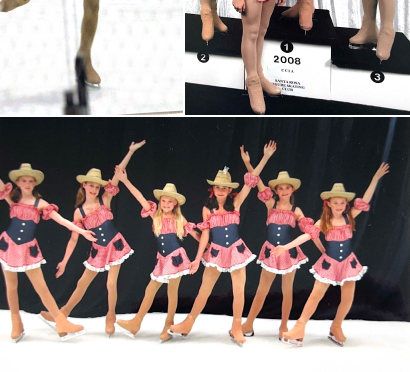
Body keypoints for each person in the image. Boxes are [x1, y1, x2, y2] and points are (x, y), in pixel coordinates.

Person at [0, 140, 96, 342]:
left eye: (30, 181)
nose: (27, 184)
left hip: (28, 249)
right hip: (8, 245)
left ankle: (60, 321)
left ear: (35, 183)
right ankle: (16, 323)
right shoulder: (12, 199)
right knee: (11, 286)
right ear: (18, 182)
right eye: (24, 181)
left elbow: (61, 220)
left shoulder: (40, 203)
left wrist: (81, 230)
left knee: (41, 287)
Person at [169, 141, 277, 346]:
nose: (221, 190)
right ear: (213, 189)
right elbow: (205, 236)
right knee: (204, 289)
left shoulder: (235, 204)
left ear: (229, 191)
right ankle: (188, 322)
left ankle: (237, 326)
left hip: (236, 251)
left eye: (224, 187)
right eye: (218, 186)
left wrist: (262, 158)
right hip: (216, 253)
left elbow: (251, 181)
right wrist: (197, 259)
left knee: (239, 290)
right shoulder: (207, 210)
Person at [272, 163, 390, 346]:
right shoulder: (324, 221)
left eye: (342, 202)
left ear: (346, 204)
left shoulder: (349, 216)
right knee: (316, 295)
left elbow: (366, 199)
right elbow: (306, 235)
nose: (339, 205)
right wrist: (286, 247)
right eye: (335, 202)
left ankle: (337, 326)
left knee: (348, 297)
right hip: (330, 263)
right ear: (328, 204)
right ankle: (299, 327)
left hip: (348, 263)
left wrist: (375, 179)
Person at [38, 141, 145, 336]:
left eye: (97, 186)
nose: (94, 189)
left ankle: (110, 316)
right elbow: (73, 240)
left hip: (115, 246)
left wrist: (130, 151)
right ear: (84, 185)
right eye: (91, 186)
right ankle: (63, 313)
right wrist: (64, 261)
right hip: (98, 251)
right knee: (82, 283)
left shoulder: (106, 199)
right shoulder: (78, 213)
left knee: (111, 283)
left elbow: (118, 172)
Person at [238, 148, 324, 339]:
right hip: (270, 252)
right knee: (262, 290)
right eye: (280, 188)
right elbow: (257, 180)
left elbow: (311, 233)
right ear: (276, 190)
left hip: (288, 254)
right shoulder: (271, 204)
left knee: (287, 291)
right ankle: (248, 324)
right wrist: (248, 162)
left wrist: (323, 250)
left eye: (287, 187)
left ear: (292, 189)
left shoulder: (296, 210)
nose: (283, 191)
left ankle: (284, 326)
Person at [115, 171, 200, 341]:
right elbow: (138, 196)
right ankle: (136, 323)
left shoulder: (179, 218)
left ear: (175, 203)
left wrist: (204, 250)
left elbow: (197, 235)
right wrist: (125, 180)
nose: (166, 203)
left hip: (175, 258)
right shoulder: (155, 214)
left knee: (172, 292)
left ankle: (168, 326)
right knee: (150, 290)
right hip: (162, 259)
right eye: (164, 200)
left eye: (170, 201)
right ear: (160, 202)